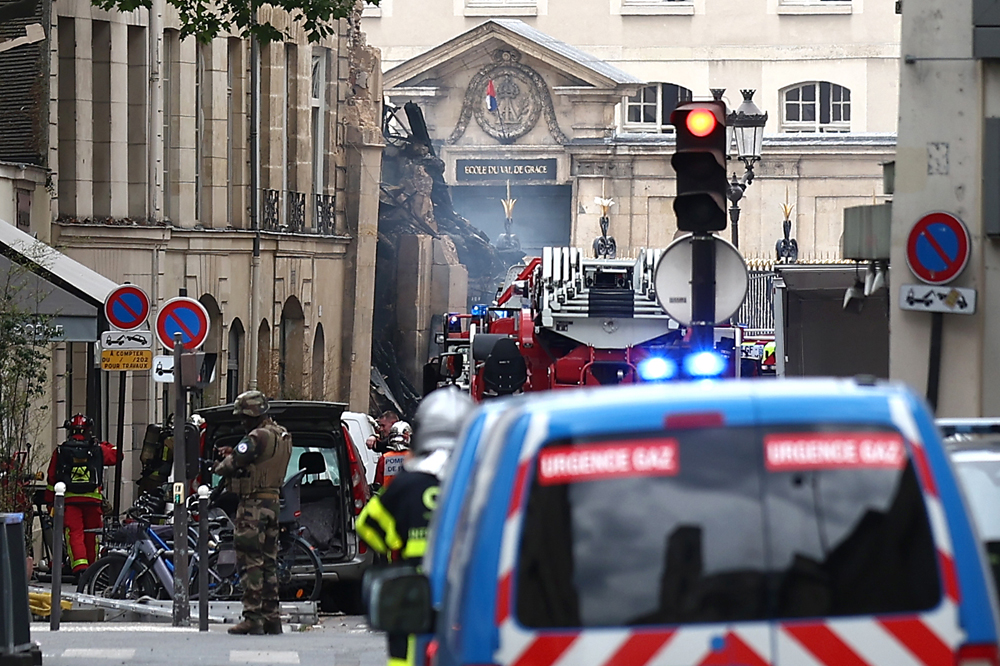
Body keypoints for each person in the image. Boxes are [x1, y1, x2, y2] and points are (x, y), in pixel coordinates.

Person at [356, 387, 474, 666]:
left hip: (414, 592)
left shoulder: (407, 483)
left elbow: (367, 526)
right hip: (469, 592)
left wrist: (397, 546)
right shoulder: (484, 479)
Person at [214, 390, 292, 636]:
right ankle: (272, 617)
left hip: (253, 506)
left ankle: (252, 617)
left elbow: (231, 465)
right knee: (269, 561)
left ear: (253, 414)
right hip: (273, 503)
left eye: (243, 416)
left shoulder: (257, 436)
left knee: (250, 561)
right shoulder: (281, 434)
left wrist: (222, 463)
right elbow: (258, 460)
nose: (241, 422)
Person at [45, 414, 120, 577]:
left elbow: (52, 478)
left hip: (69, 501)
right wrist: (101, 443)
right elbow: (117, 455)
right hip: (93, 501)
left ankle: (79, 567)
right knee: (91, 533)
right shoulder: (97, 449)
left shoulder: (60, 451)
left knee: (74, 533)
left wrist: (50, 501)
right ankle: (93, 569)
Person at [373, 421, 411, 490]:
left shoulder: (384, 458)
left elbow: (378, 484)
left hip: (388, 497)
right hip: (408, 496)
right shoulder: (414, 457)